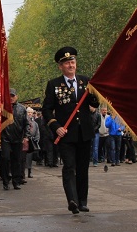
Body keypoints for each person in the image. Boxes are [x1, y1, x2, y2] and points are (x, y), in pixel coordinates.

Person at [42, 46, 99, 214]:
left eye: (72, 62)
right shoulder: (54, 85)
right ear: (60, 66)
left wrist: (94, 92)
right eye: (67, 63)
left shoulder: (85, 81)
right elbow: (46, 110)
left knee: (82, 168)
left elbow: (95, 103)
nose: (71, 65)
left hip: (84, 133)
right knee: (69, 166)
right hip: (66, 134)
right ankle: (72, 200)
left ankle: (82, 201)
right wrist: (56, 127)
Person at [0, 88, 27, 190]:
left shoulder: (22, 109)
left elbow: (26, 124)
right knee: (5, 159)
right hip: (5, 138)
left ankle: (16, 181)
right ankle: (5, 181)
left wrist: (26, 136)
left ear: (16, 97)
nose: (11, 98)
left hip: (18, 138)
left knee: (17, 160)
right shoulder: (2, 108)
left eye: (13, 96)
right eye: (9, 96)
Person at [24, 107, 40, 178]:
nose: (30, 114)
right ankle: (22, 173)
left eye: (31, 112)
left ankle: (29, 172)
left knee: (29, 158)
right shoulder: (23, 121)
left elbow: (37, 132)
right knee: (23, 158)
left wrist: (36, 140)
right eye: (28, 112)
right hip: (24, 141)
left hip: (31, 142)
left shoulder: (35, 123)